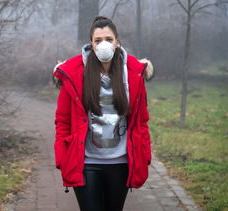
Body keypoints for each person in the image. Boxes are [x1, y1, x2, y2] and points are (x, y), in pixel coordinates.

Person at [53, 16, 153, 211]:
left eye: (109, 39)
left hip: (120, 163)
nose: (103, 44)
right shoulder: (73, 73)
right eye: (98, 40)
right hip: (86, 163)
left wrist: (145, 155)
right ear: (91, 44)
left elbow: (141, 120)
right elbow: (62, 121)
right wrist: (63, 157)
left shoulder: (133, 72)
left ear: (117, 42)